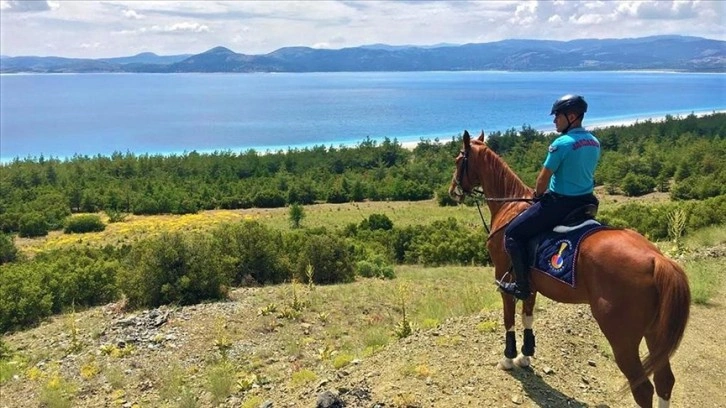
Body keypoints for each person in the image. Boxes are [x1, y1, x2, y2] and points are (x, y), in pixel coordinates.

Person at [498, 94, 601, 300]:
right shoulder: (594, 142)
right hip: (587, 202)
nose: (554, 120)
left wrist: (537, 195)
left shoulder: (561, 143)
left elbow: (543, 178)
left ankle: (522, 287)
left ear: (571, 116)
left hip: (560, 204)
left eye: (557, 116)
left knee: (513, 234)